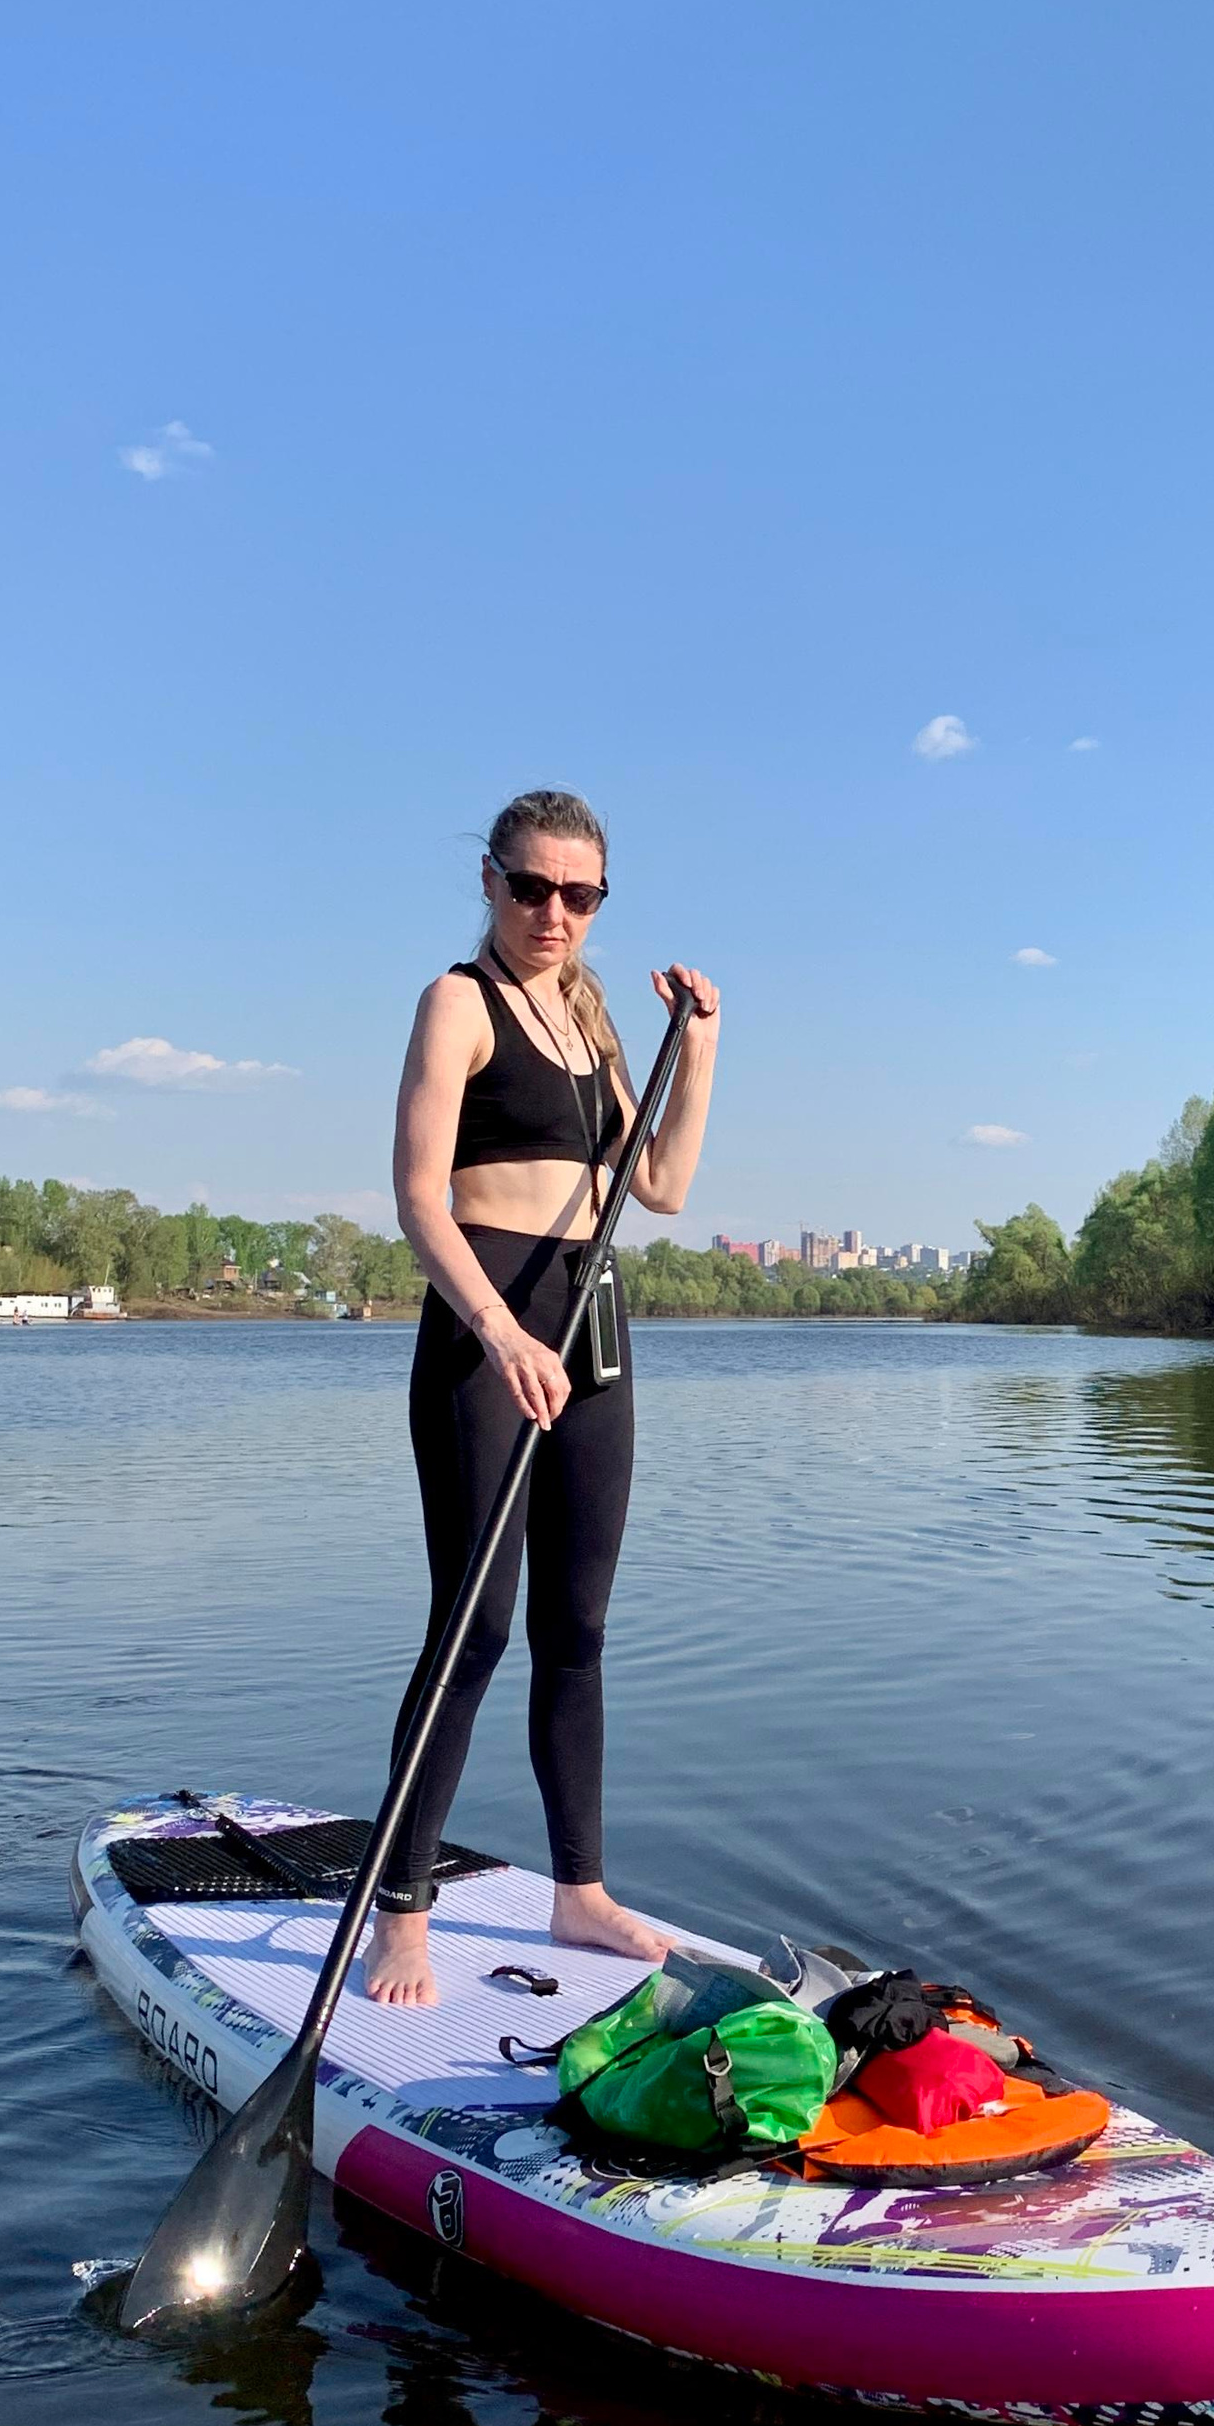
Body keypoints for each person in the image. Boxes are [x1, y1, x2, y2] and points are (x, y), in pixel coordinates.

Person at [366, 789, 719, 2005]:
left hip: (592, 1327)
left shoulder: (592, 1022)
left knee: (577, 1629)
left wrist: (704, 1043)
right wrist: (500, 1327)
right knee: (475, 1627)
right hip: (487, 1329)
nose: (553, 914)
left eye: (580, 895)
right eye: (531, 888)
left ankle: (581, 1888)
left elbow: (663, 1184)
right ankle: (400, 1912)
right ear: (490, 879)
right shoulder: (456, 1003)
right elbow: (417, 1194)